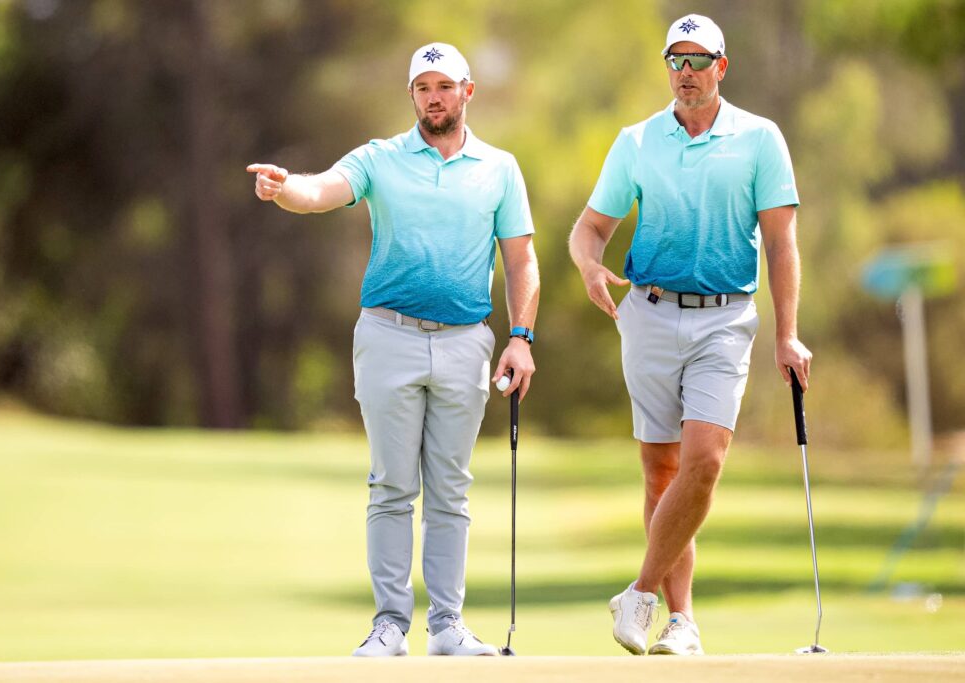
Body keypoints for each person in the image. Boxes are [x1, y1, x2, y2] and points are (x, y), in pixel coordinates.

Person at [247, 42, 539, 657]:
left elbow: (520, 260)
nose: (434, 97)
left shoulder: (500, 168)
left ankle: (448, 627)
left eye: (444, 86)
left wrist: (521, 337)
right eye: (422, 88)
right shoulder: (379, 158)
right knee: (391, 486)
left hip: (466, 342)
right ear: (412, 96)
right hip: (388, 336)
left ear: (467, 91)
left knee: (450, 490)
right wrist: (284, 188)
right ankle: (389, 625)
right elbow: (322, 190)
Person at [568, 15, 811, 656]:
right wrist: (590, 267)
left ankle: (640, 593)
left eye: (698, 60)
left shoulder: (759, 139)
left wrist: (787, 334)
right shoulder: (637, 141)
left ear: (721, 67)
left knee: (704, 462)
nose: (685, 72)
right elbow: (589, 228)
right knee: (661, 472)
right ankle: (682, 622)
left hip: (726, 318)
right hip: (649, 313)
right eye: (675, 60)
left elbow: (781, 243)